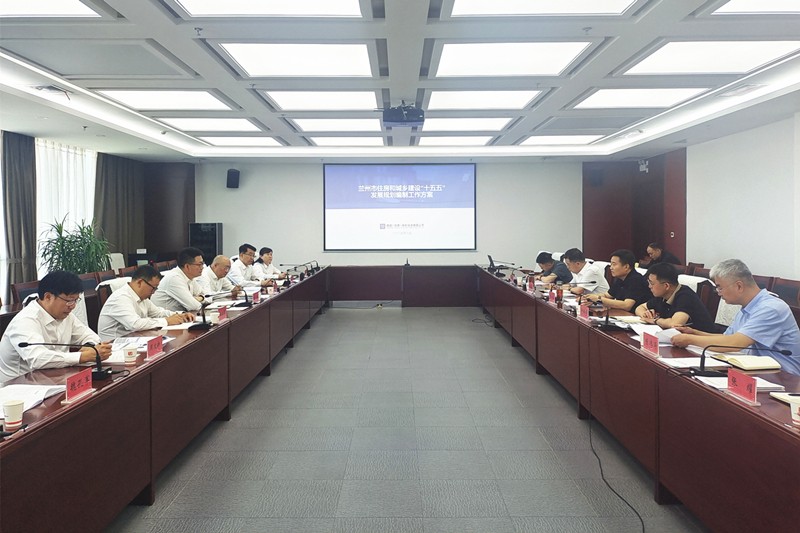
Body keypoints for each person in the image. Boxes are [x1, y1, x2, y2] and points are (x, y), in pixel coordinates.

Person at [671, 259, 800, 375]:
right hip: (756, 370)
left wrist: (689, 339)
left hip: (784, 377)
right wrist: (694, 332)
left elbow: (734, 344)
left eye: (720, 288)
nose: (718, 293)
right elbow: (727, 338)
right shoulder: (747, 307)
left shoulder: (770, 308)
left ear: (739, 286)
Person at [0, 271, 112, 384]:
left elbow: (89, 336)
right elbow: (38, 359)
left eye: (76, 300)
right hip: (20, 386)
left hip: (53, 379)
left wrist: (89, 347)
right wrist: (82, 356)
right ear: (48, 297)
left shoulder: (66, 315)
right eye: (69, 301)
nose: (73, 306)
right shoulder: (25, 321)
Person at [97, 265, 194, 340]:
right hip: (115, 347)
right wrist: (166, 321)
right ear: (140, 282)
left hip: (134, 340)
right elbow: (135, 324)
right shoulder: (120, 298)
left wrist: (180, 315)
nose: (154, 292)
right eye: (153, 288)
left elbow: (158, 313)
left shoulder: (142, 297)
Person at [635, 262, 715, 332]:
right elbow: (639, 308)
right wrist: (645, 315)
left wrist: (655, 320)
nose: (649, 286)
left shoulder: (686, 296)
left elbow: (675, 324)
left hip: (704, 340)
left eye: (652, 283)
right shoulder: (662, 295)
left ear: (666, 286)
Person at [585, 249, 650, 311]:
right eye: (611, 264)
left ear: (626, 267)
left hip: (636, 315)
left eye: (614, 264)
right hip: (622, 313)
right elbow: (607, 295)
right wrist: (589, 297)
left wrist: (599, 299)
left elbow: (627, 305)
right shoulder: (620, 278)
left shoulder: (636, 280)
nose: (611, 268)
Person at [151, 247, 206, 312]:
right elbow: (194, 306)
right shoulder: (174, 278)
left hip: (180, 315)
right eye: (199, 264)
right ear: (187, 266)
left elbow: (206, 295)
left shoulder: (190, 277)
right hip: (166, 317)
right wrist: (197, 299)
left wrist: (199, 298)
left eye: (202, 264)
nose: (202, 267)